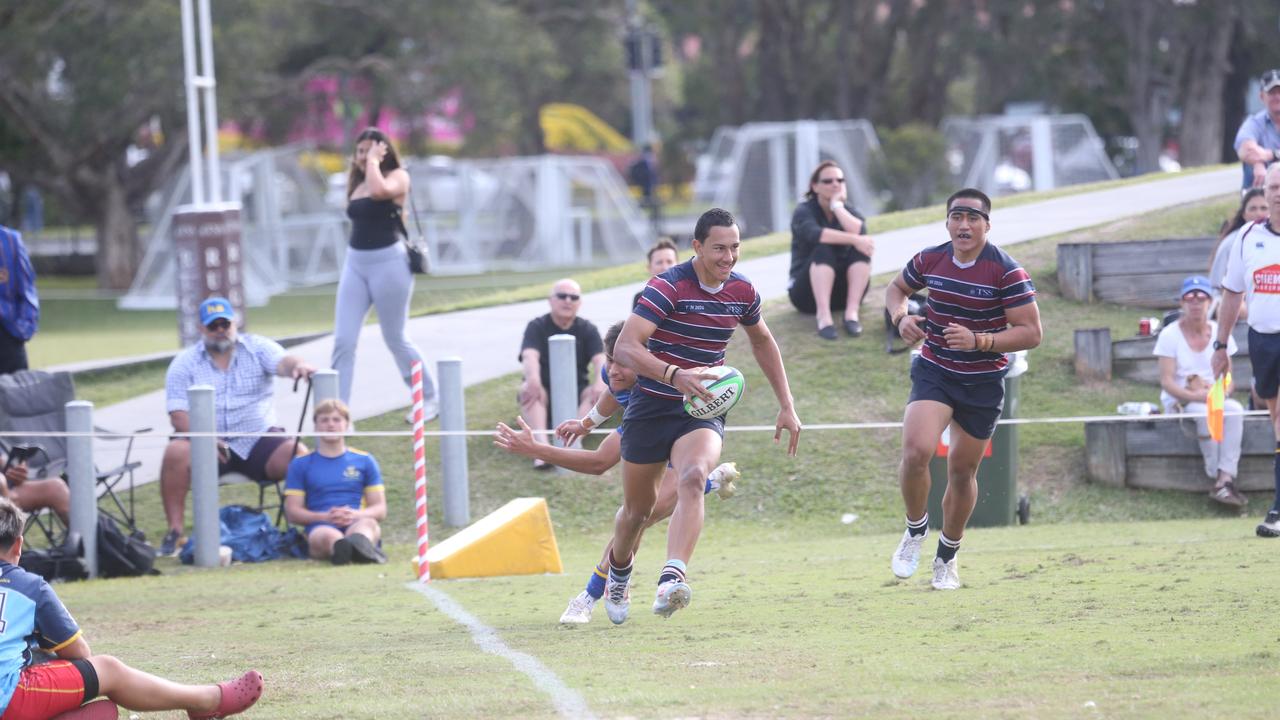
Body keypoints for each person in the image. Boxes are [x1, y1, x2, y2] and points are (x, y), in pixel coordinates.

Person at [605, 208, 801, 622]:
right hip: (651, 405)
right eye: (719, 248)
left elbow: (763, 341)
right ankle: (619, 574)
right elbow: (625, 347)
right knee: (636, 513)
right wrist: (674, 375)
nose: (728, 257)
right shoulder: (667, 287)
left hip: (700, 409)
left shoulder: (743, 292)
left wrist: (787, 405)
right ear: (696, 247)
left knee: (694, 477)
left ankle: (671, 580)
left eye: (734, 247)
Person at [492, 321, 739, 624]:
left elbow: (598, 463)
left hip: (681, 428)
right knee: (635, 517)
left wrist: (537, 449)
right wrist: (585, 423)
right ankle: (708, 485)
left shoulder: (665, 388)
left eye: (623, 362)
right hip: (643, 422)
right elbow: (610, 400)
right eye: (610, 359)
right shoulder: (619, 376)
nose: (614, 369)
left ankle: (593, 593)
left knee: (647, 514)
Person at [885, 188, 1041, 591]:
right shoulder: (931, 258)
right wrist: (901, 318)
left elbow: (1032, 332)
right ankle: (915, 530)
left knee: (961, 470)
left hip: (983, 381)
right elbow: (895, 289)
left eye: (973, 217)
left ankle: (947, 557)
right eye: (957, 216)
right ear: (948, 222)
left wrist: (980, 341)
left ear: (987, 225)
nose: (964, 224)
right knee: (916, 451)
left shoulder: (1007, 272)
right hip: (935, 369)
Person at [0, 497, 264, 719]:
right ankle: (206, 701)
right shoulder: (30, 587)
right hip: (8, 697)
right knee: (108, 669)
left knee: (96, 705)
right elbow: (80, 653)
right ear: (19, 545)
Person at [159, 296, 316, 556]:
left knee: (298, 454)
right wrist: (206, 438)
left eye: (225, 323)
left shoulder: (258, 347)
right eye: (213, 325)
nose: (221, 330)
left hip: (258, 438)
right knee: (175, 452)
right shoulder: (183, 363)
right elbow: (178, 415)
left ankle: (311, 526)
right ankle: (175, 533)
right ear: (201, 329)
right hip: (207, 443)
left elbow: (284, 361)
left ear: (235, 323)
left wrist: (299, 366)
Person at [331, 127, 436, 421]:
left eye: (371, 150)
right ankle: (337, 415)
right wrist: (367, 165)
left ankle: (429, 397)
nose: (364, 156)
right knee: (343, 340)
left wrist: (375, 162)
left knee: (395, 337)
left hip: (389, 265)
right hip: (355, 264)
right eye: (360, 151)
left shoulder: (397, 176)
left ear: (384, 151)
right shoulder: (357, 181)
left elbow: (379, 193)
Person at [1213, 163, 1280, 537]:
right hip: (1262, 340)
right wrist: (1221, 345)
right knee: (1275, 419)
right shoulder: (1248, 237)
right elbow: (1232, 293)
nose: (1278, 192)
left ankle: (1276, 511)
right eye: (1272, 186)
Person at [1156, 276, 1246, 507]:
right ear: (1182, 303)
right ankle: (1214, 473)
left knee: (1235, 410)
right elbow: (1167, 381)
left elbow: (1229, 380)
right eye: (1190, 298)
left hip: (1213, 397)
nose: (1196, 303)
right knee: (1200, 412)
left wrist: (1220, 393)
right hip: (1183, 399)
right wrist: (1197, 396)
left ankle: (1225, 478)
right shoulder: (1169, 334)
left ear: (1211, 302)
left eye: (1201, 298)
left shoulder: (1220, 332)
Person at [517, 279, 608, 469]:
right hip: (543, 391)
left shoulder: (587, 329)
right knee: (529, 387)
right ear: (551, 300)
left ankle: (573, 443)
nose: (568, 300)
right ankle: (541, 448)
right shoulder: (537, 325)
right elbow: (529, 355)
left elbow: (601, 360)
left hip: (576, 391)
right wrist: (533, 379)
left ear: (579, 303)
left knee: (597, 393)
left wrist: (600, 383)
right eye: (562, 296)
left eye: (573, 297)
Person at [283, 399, 386, 565]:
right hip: (320, 526)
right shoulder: (300, 463)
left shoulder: (365, 460)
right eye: (324, 420)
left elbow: (380, 509)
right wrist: (326, 517)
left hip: (357, 521)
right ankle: (342, 550)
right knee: (330, 537)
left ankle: (360, 547)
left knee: (366, 526)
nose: (330, 425)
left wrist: (354, 515)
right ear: (316, 426)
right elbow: (292, 512)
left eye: (336, 420)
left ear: (347, 425)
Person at [787, 161, 875, 340]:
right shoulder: (803, 210)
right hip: (806, 295)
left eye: (840, 180)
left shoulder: (847, 210)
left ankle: (851, 314)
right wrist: (855, 239)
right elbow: (815, 234)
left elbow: (860, 231)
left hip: (843, 292)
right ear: (815, 186)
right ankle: (824, 317)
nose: (835, 184)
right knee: (823, 249)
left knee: (861, 250)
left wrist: (837, 207)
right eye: (828, 181)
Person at [1209, 189, 1267, 320]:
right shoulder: (1231, 243)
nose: (1258, 213)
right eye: (1253, 208)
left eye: (1263, 208)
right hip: (1234, 299)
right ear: (1244, 214)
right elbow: (1220, 286)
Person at [0, 223, 38, 375]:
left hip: (7, 333)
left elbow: (27, 289)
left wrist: (23, 329)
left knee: (14, 395)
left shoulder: (10, 241)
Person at [1234, 69, 1280, 189]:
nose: (1277, 97)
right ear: (1261, 96)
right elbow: (1244, 149)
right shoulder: (1254, 123)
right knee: (1252, 164)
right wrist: (1258, 163)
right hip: (1264, 189)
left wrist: (1271, 155)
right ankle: (1255, 205)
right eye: (1272, 93)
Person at [0, 452, 70, 526]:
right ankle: (8, 529)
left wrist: (16, 470)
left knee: (56, 488)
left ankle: (81, 533)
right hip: (4, 494)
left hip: (10, 490)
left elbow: (2, 462)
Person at [633, 238, 679, 307]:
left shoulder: (690, 294)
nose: (665, 267)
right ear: (649, 268)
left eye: (669, 262)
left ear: (678, 265)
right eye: (659, 262)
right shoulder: (641, 298)